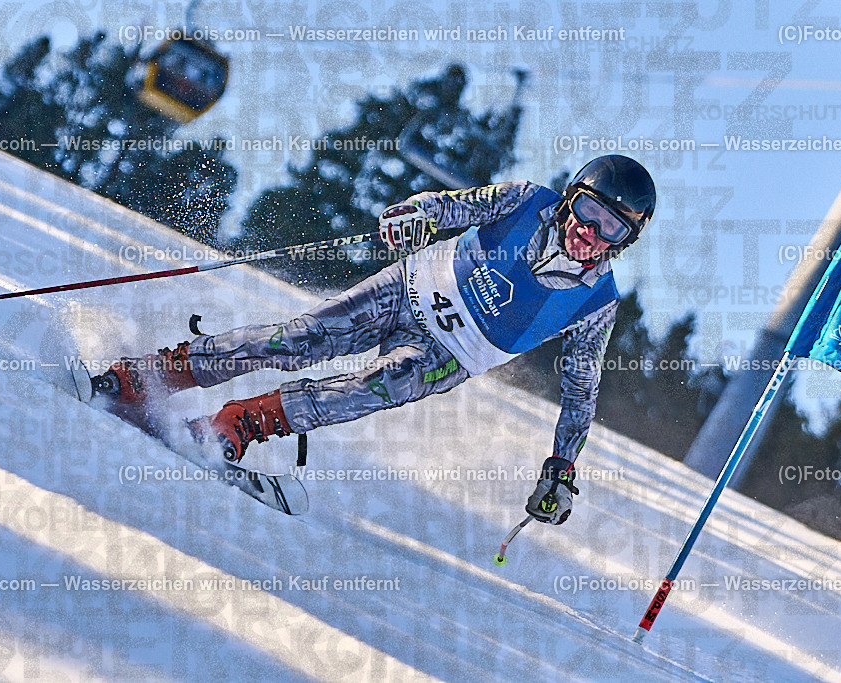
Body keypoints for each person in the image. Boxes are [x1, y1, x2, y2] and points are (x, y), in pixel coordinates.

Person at [91, 154, 656, 526]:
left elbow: (582, 393)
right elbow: (451, 206)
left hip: (445, 356)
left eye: (612, 228)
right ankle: (151, 375)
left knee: (366, 389)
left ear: (624, 242)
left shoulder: (596, 303)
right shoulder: (526, 200)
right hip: (407, 289)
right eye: (587, 210)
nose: (589, 231)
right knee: (295, 341)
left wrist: (561, 467)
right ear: (569, 198)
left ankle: (237, 422)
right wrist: (413, 216)